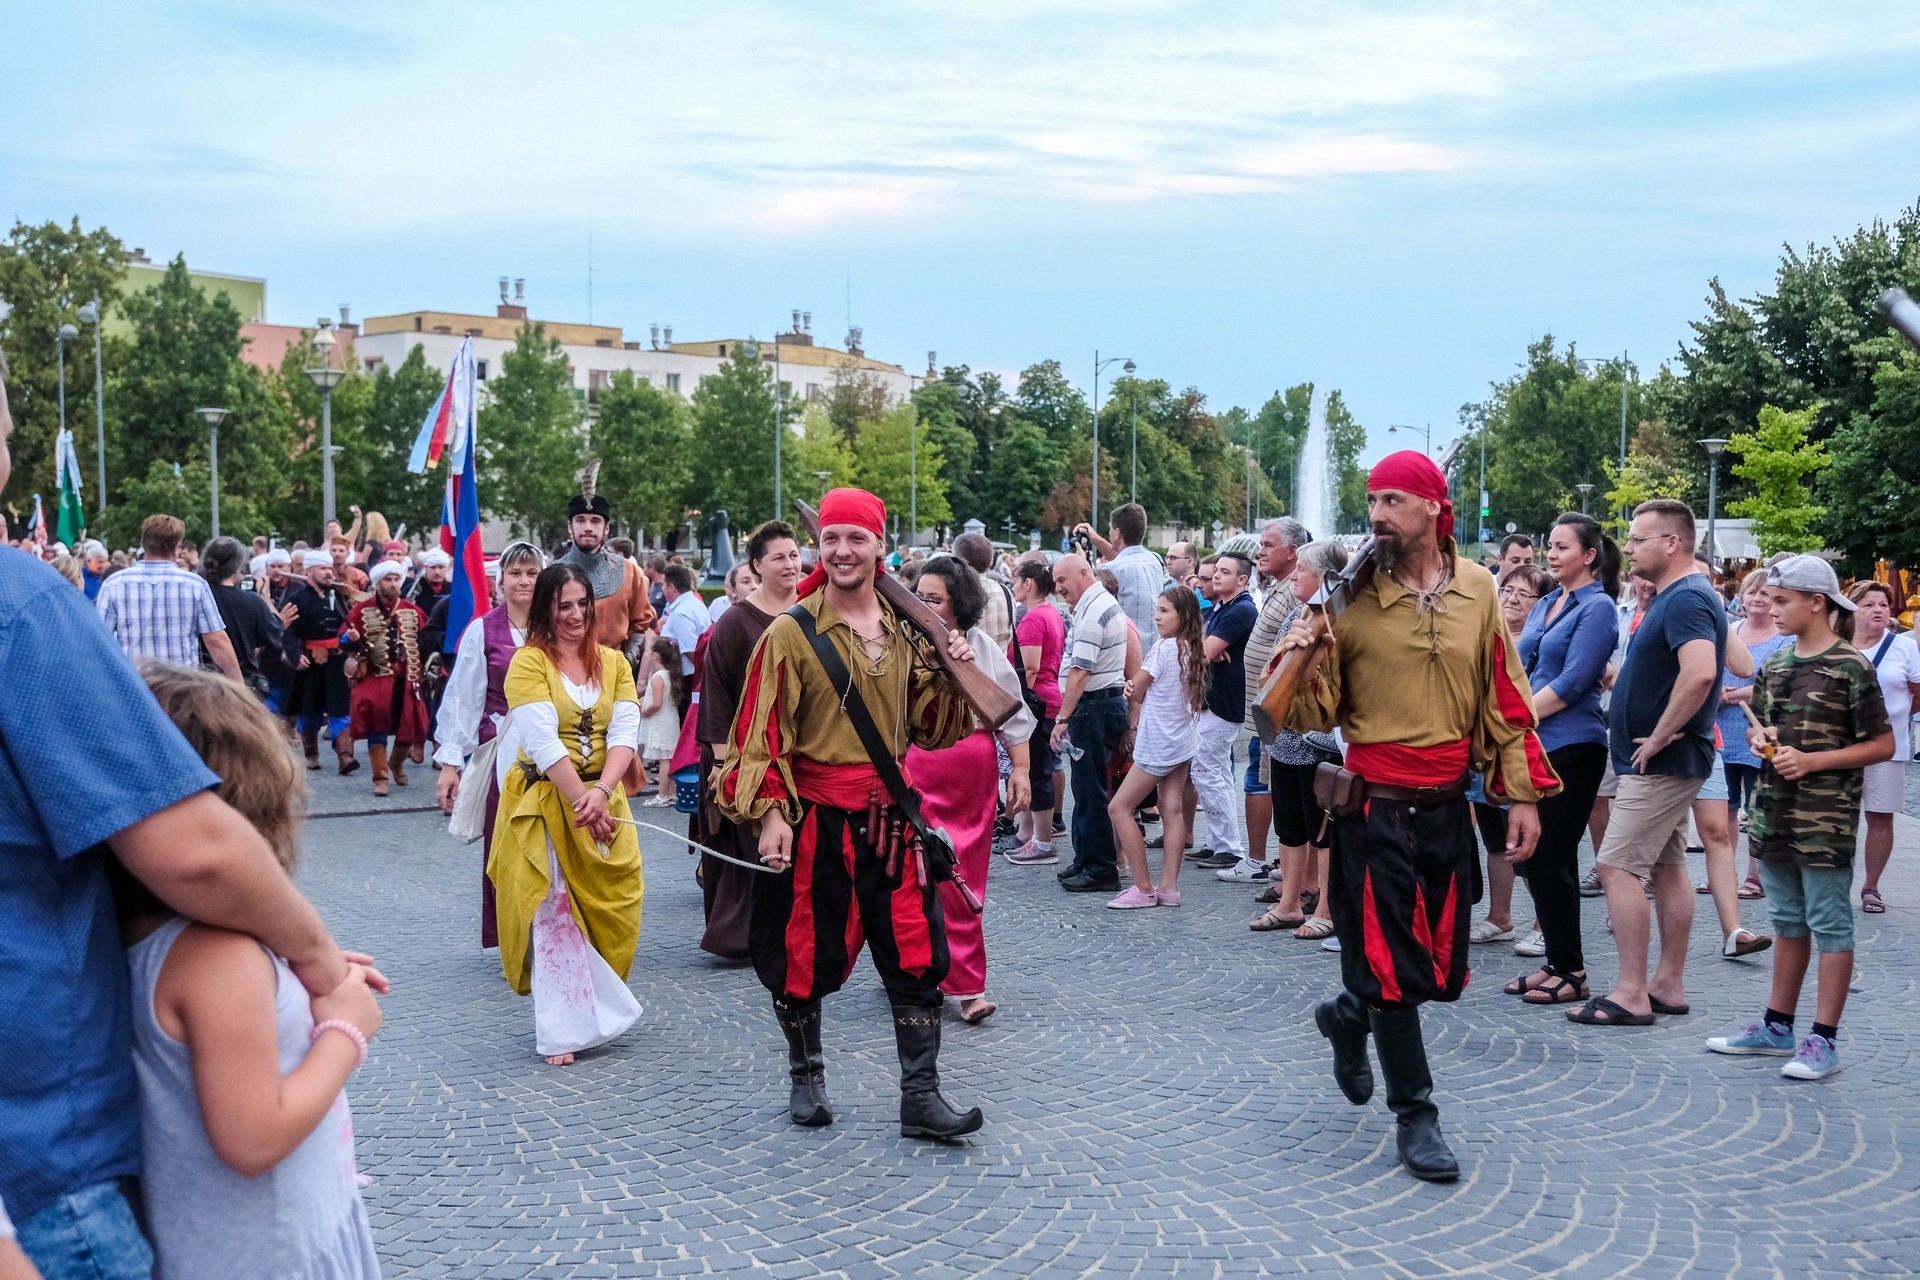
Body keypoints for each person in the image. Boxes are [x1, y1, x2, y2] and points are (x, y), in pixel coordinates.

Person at [0, 343, 374, 1280]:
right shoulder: (21, 605)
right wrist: (326, 977)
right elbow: (191, 847)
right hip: (45, 1161)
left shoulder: (106, 590)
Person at [1276, 450, 1557, 1181]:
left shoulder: (1479, 588)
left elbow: (1505, 696)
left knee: (1441, 973)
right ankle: (1416, 1114)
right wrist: (1304, 655)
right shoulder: (1348, 598)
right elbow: (1307, 716)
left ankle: (1348, 1014)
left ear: (1434, 507)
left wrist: (1522, 793)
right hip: (1374, 810)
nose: (1377, 515)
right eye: (1372, 501)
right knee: (1393, 970)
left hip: (1448, 809)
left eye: (1393, 500)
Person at [714, 488, 981, 1139]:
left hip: (894, 824)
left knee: (916, 955)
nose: (841, 550)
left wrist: (952, 670)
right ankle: (806, 1075)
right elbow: (757, 740)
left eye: (856, 538)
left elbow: (933, 730)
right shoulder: (789, 633)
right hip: (815, 824)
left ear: (879, 546)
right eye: (830, 538)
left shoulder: (907, 629)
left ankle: (921, 1096)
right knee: (800, 956)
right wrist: (771, 816)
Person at [121, 665, 383, 1279]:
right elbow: (252, 1137)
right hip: (270, 1254)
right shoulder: (218, 956)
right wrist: (346, 1031)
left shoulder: (151, 934)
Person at [1707, 555, 1893, 1080]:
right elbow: (1763, 728)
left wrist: (1813, 761)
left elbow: (1883, 744)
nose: (1771, 608)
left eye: (1782, 600)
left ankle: (1824, 1038)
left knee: (1830, 925)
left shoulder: (1852, 666)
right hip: (1774, 813)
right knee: (1787, 922)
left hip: (1825, 820)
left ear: (1817, 602)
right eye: (1769, 599)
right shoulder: (1776, 664)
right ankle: (1776, 1026)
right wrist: (1760, 738)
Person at [487, 563, 645, 1066]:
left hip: (604, 795)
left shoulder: (614, 663)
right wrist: (584, 800)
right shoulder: (529, 663)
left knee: (618, 903)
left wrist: (602, 792)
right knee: (555, 911)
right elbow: (541, 740)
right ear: (545, 610)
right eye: (563, 606)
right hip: (548, 801)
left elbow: (624, 731)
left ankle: (598, 1009)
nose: (575, 615)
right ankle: (562, 1029)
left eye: (582, 604)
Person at [1576, 500, 1726, 1027]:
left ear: (1672, 543)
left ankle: (1631, 992)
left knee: (1615, 866)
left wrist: (1660, 733)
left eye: (1639, 539)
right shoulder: (1678, 596)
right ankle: (1667, 984)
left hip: (1660, 761)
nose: (1629, 547)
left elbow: (1701, 672)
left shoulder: (1686, 598)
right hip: (1663, 759)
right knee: (1666, 866)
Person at [906, 556, 1035, 1022]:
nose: (924, 605)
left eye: (934, 599)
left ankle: (968, 988)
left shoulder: (980, 647)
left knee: (961, 878)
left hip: (969, 774)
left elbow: (1013, 715)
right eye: (919, 597)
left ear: (958, 604)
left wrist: (1021, 770)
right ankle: (914, 973)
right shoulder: (901, 645)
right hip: (914, 773)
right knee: (911, 876)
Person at [1503, 514, 1621, 1006]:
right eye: (1549, 545)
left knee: (1551, 854)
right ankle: (1557, 961)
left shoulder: (1599, 607)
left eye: (1562, 547)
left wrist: (1515, 717)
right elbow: (1519, 663)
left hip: (1573, 743)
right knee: (1538, 857)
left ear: (1590, 556)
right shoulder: (1550, 601)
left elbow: (1574, 681)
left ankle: (1572, 970)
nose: (1551, 554)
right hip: (1534, 740)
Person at [695, 520, 802, 961]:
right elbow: (717, 696)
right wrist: (724, 765)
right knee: (745, 844)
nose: (790, 564)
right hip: (741, 756)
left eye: (794, 555)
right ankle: (742, 935)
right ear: (757, 566)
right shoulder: (736, 623)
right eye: (779, 557)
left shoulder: (812, 610)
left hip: (796, 753)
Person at [435, 540, 543, 949]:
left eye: (532, 573)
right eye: (515, 573)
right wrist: (451, 763)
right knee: (507, 844)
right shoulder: (483, 631)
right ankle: (514, 939)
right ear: (500, 581)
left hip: (554, 749)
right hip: (503, 754)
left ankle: (556, 935)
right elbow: (463, 699)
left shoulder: (557, 627)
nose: (524, 581)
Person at [1252, 539, 1348, 936]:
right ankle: (1289, 903)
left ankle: (1325, 908)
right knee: (1289, 827)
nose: (1294, 576)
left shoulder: (1342, 619)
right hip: (1286, 739)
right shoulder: (1298, 613)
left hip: (1320, 744)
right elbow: (1274, 671)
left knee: (1322, 831)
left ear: (1325, 578)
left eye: (1302, 571)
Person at [1107, 585, 1206, 909]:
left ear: (1183, 615)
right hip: (1181, 739)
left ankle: (1143, 887)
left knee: (1119, 808)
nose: (1157, 617)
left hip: (1159, 744)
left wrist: (1131, 686)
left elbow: (1137, 690)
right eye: (1157, 610)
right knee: (1172, 809)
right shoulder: (1192, 647)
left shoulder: (1164, 649)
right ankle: (1168, 888)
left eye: (1164, 611)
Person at [1050, 552, 1133, 894]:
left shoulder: (1094, 609)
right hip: (1099, 706)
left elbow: (1081, 671)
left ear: (1083, 573)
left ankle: (1100, 868)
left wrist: (1062, 718)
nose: (1059, 588)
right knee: (1086, 789)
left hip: (1093, 707)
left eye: (1062, 580)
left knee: (1090, 790)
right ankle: (1087, 859)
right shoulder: (1096, 604)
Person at [1237, 519, 1310, 891]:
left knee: (1268, 784)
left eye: (1268, 544)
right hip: (1265, 710)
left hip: (1277, 715)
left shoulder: (1293, 592)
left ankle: (1266, 862)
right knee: (1266, 781)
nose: (1259, 551)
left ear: (1293, 552)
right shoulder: (1280, 587)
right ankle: (1284, 865)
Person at [1842, 581, 1918, 914]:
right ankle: (1834, 882)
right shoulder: (1837, 644)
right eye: (1869, 604)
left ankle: (1871, 886)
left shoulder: (1904, 647)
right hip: (1839, 746)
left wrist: (1891, 717)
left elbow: (1918, 693)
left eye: (1883, 605)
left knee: (1880, 816)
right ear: (1852, 610)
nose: (1878, 610)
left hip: (1887, 747)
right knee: (1836, 815)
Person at [95, 514, 243, 682]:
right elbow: (216, 641)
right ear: (177, 547)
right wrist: (238, 685)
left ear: (144, 543)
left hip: (134, 684)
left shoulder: (114, 584)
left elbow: (100, 640)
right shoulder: (195, 585)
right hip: (180, 685)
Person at [1720, 569, 1791, 903]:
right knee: (1723, 808)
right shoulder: (1730, 631)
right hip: (1721, 731)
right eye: (1752, 592)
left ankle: (1755, 876)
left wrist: (1730, 696)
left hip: (1760, 733)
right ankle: (1724, 876)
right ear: (1742, 596)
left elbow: (1777, 684)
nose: (1758, 599)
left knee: (1758, 807)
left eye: (1766, 593)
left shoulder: (1784, 639)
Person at [343, 560, 431, 798]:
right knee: (376, 727)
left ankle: (396, 763)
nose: (393, 584)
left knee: (410, 728)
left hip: (407, 678)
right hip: (375, 677)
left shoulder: (413, 610)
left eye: (396, 579)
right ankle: (380, 778)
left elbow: (426, 641)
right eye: (387, 579)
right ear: (377, 583)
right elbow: (344, 643)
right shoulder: (361, 611)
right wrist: (351, 639)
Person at [1197, 550, 1258, 878]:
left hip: (1225, 701)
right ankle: (1217, 841)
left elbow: (1202, 653)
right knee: (1211, 771)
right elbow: (1201, 645)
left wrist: (1207, 648)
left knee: (1209, 771)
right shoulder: (1223, 607)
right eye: (1215, 571)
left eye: (1224, 572)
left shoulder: (1241, 609)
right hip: (1215, 698)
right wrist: (1206, 646)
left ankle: (1228, 847)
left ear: (1242, 579)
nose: (1216, 576)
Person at [559, 466, 655, 660]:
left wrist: (628, 660)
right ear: (570, 527)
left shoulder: (629, 571)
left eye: (595, 521)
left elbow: (639, 624)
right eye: (580, 520)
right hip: (565, 668)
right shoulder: (554, 573)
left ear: (606, 528)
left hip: (616, 668)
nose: (588, 527)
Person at [1006, 559, 1067, 865]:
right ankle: (1031, 834)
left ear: (1028, 584)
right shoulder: (1050, 612)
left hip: (1037, 704)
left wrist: (1020, 708)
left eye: (1015, 580)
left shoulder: (1034, 618)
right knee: (1039, 769)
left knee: (1037, 771)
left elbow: (1030, 669)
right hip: (1048, 698)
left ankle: (1042, 842)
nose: (1013, 586)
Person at [285, 550, 360, 775]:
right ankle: (311, 754)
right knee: (309, 711)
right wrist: (295, 656)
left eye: (329, 568)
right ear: (310, 571)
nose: (329, 573)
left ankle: (345, 757)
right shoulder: (297, 599)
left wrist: (351, 639)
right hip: (310, 662)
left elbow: (345, 628)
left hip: (336, 662)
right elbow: (288, 632)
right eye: (323, 569)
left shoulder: (338, 597)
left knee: (340, 709)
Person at [198, 535, 289, 696]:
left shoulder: (198, 596)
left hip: (202, 681)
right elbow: (276, 634)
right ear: (237, 565)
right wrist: (265, 597)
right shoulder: (252, 601)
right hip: (241, 685)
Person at [1072, 502, 1163, 649]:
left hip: (1128, 651)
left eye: (1110, 529)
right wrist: (1096, 539)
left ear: (1117, 533)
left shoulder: (1112, 569)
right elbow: (1125, 558)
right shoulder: (1155, 561)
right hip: (1155, 649)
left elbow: (1087, 602)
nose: (1109, 533)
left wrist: (1082, 565)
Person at [636, 635, 684, 804]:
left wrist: (645, 711)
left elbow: (657, 703)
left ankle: (662, 795)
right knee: (669, 758)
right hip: (670, 720)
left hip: (661, 722)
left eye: (649, 650)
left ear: (655, 655)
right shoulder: (668, 674)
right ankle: (671, 792)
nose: (647, 653)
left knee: (664, 759)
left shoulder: (657, 678)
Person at [657, 563, 710, 682]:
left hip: (688, 680)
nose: (662, 588)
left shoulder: (681, 613)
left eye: (664, 584)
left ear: (671, 587)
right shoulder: (696, 604)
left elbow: (691, 651)